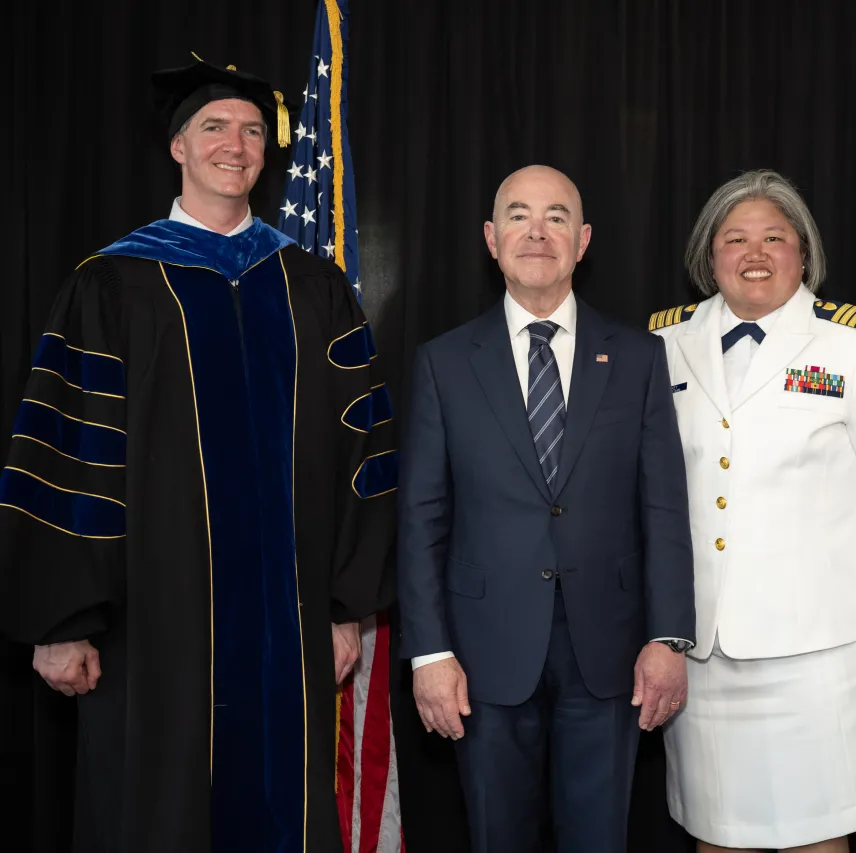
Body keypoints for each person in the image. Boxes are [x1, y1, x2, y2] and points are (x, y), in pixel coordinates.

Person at [0, 59, 397, 853]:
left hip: (289, 626)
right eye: (214, 126)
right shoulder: (112, 284)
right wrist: (64, 620)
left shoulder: (313, 287)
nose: (236, 144)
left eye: (252, 131)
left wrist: (346, 605)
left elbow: (366, 447)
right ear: (178, 145)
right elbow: (69, 451)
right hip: (151, 627)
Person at [397, 164, 696, 852]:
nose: (537, 231)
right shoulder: (444, 362)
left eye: (557, 216)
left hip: (611, 655)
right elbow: (421, 518)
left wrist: (669, 635)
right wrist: (429, 653)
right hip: (480, 655)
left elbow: (663, 507)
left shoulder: (638, 356)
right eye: (519, 215)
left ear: (583, 239)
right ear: (490, 238)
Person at [649, 169, 856, 853]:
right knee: (719, 835)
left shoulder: (853, 342)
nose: (754, 252)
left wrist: (821, 551)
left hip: (821, 647)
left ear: (803, 253)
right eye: (735, 237)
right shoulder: (663, 342)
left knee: (815, 837)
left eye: (774, 237)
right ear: (707, 256)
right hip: (707, 645)